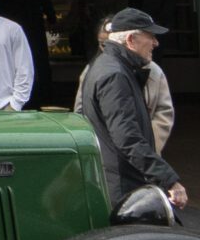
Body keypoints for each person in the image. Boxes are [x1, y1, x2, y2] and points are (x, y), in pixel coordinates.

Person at [79, 7, 187, 216]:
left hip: (119, 177)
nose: (155, 43)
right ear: (130, 40)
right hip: (121, 184)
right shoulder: (115, 75)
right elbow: (127, 137)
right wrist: (169, 179)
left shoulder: (109, 66)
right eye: (151, 36)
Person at [75, 15, 175, 153]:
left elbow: (164, 112)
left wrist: (148, 149)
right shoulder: (92, 71)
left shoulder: (154, 71)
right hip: (106, 156)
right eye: (103, 44)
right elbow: (80, 113)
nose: (107, 48)